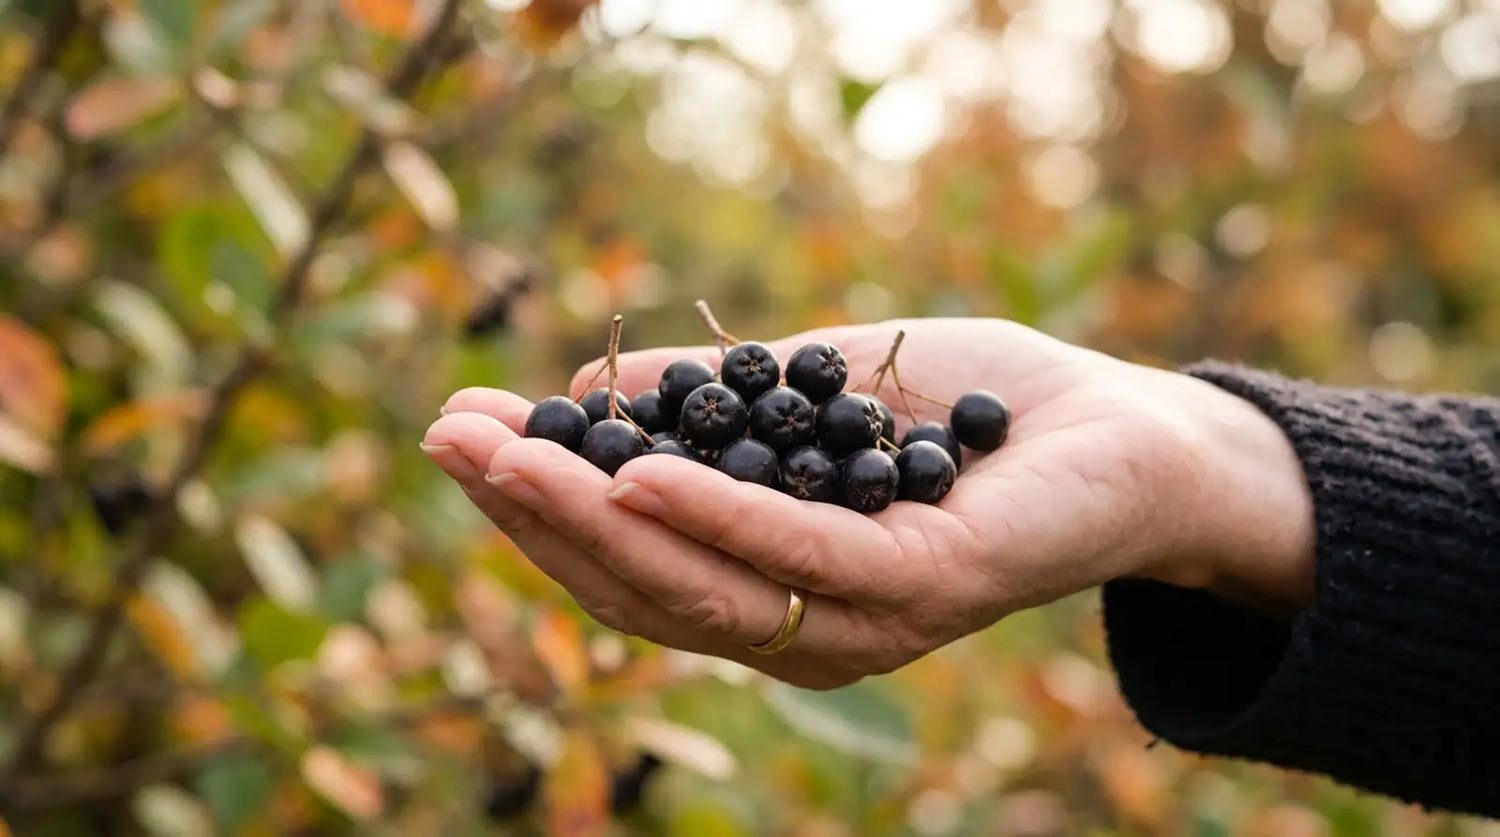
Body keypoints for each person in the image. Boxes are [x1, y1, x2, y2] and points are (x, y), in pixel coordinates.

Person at [421, 318, 1500, 818]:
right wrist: (1208, 460)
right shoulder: (825, 431)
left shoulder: (857, 439)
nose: (754, 400)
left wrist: (1189, 463)